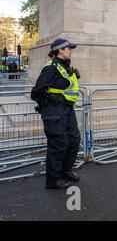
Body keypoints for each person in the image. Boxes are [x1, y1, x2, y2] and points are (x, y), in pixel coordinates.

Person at [31, 39, 81, 189]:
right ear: (60, 50)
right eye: (68, 48)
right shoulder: (51, 68)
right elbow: (36, 92)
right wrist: (50, 99)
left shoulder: (65, 67)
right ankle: (53, 180)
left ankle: (65, 171)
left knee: (73, 140)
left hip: (66, 109)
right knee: (59, 144)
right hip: (54, 110)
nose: (71, 50)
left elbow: (67, 87)